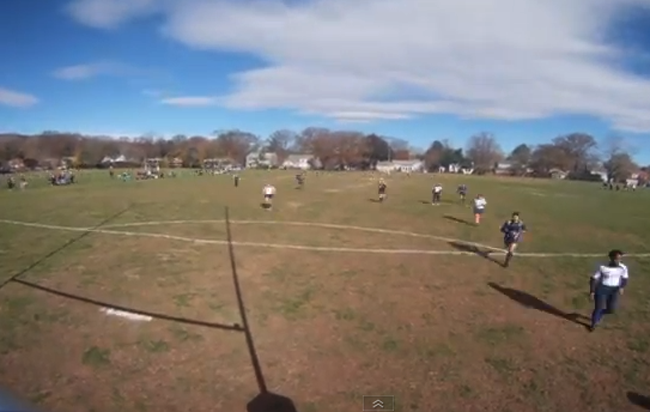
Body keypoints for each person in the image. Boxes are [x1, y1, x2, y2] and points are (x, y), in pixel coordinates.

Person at [589, 249, 628, 332]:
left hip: (614, 290)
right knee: (598, 307)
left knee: (611, 310)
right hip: (602, 289)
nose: (619, 261)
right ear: (611, 258)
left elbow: (625, 278)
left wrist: (622, 287)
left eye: (620, 259)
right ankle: (593, 324)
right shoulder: (603, 267)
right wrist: (592, 291)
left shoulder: (623, 268)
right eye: (616, 259)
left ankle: (601, 314)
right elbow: (593, 279)